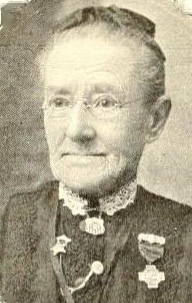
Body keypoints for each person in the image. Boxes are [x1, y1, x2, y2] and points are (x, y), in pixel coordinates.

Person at [0, 5, 192, 303]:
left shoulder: (184, 234)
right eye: (60, 102)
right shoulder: (17, 219)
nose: (77, 130)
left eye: (105, 103)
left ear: (154, 120)